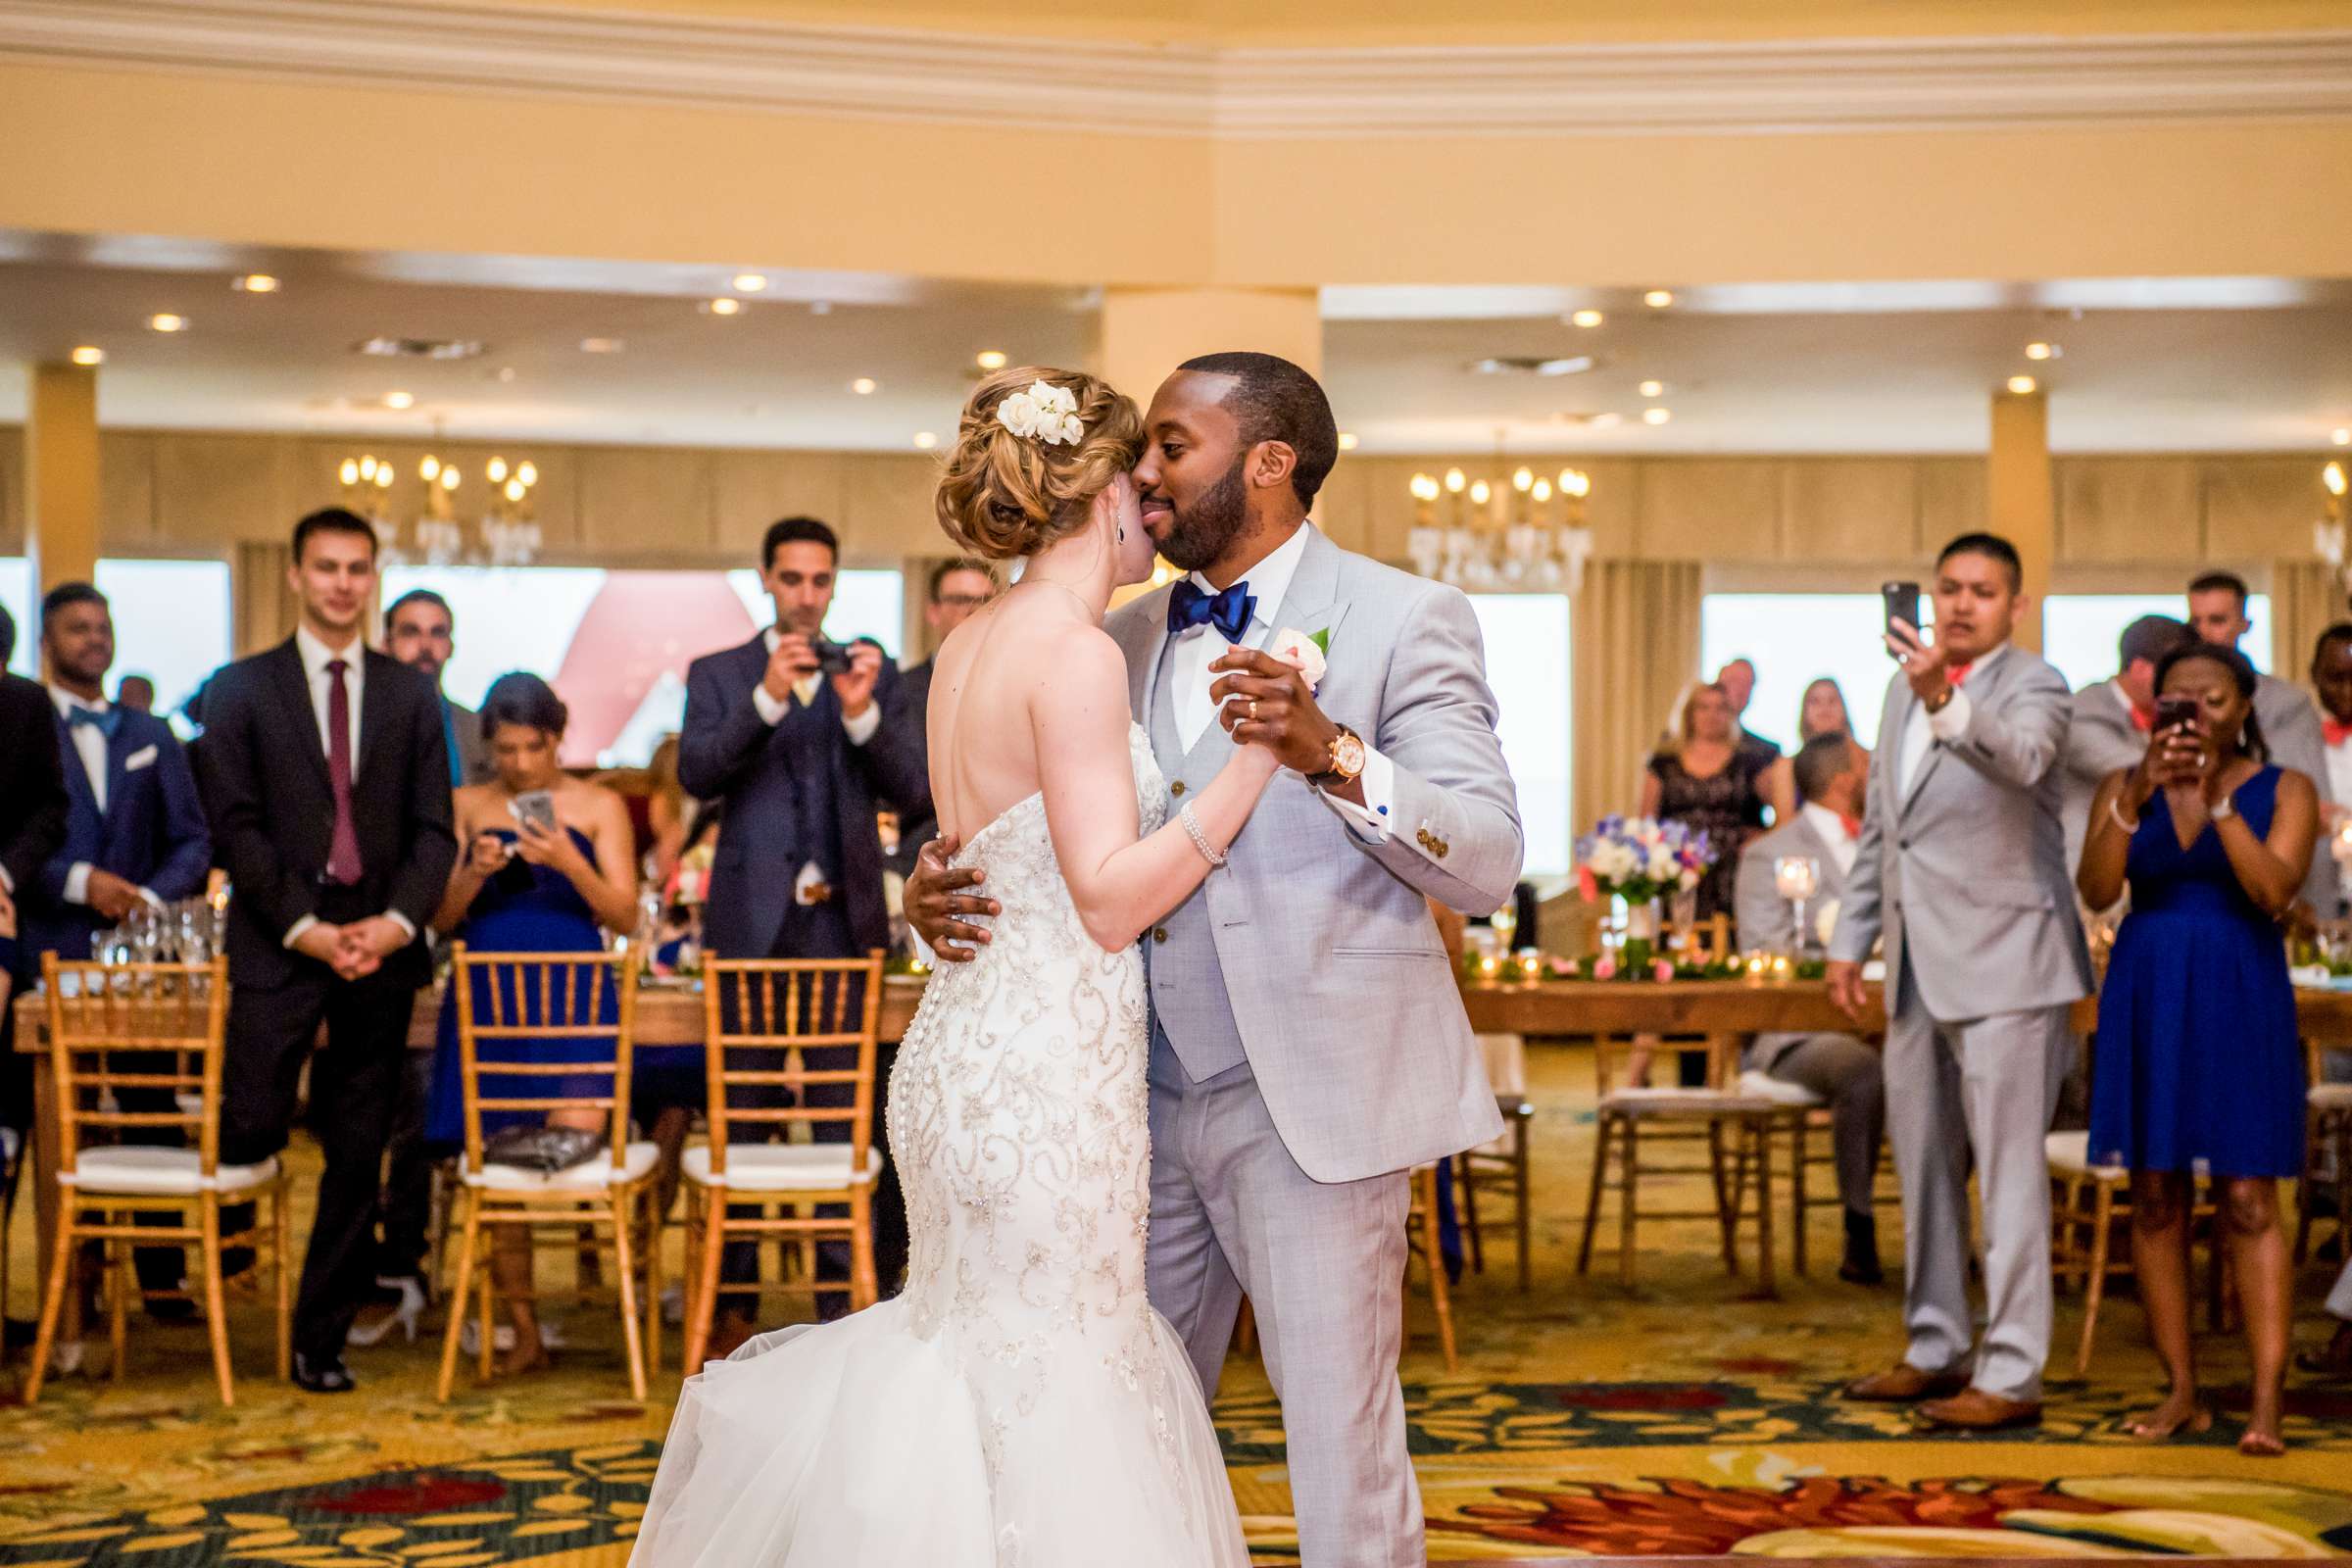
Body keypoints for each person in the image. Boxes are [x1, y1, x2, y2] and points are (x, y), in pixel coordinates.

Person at [638, 365, 1282, 1567]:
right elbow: (1103, 901)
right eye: (1141, 490)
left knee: (972, 1353)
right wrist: (1254, 764)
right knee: (1055, 1370)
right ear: (1096, 499)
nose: (1156, 513)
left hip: (957, 1056)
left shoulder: (970, 650)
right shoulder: (1077, 657)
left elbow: (967, 852)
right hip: (1043, 1078)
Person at [906, 354, 1520, 1567]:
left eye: (1171, 447)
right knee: (1117, 1438)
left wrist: (1334, 751)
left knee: (1339, 1444)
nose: (1143, 471)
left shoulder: (1407, 619)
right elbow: (1040, 832)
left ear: (1269, 461)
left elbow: (1489, 856)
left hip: (1311, 1104)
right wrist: (937, 886)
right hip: (1118, 1105)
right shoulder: (1110, 634)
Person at [1829, 531, 2092, 1432]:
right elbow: (1883, 832)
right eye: (1949, 587)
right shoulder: (1899, 698)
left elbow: (2021, 761)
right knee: (1927, 1171)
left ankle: (2012, 1373)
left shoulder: (2039, 686)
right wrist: (1849, 939)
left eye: (1983, 590)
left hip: (2010, 966)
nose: (1961, 603)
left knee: (2011, 1177)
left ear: (2015, 605)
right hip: (1912, 967)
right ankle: (1935, 1346)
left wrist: (1944, 692)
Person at [195, 508, 458, 1394]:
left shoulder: (411, 693)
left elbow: (435, 831)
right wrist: (306, 926)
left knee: (357, 1150)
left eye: (357, 568)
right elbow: (233, 827)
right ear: (297, 577)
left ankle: (321, 1338)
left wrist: (393, 924)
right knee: (252, 1125)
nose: (343, 582)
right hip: (279, 939)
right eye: (327, 567)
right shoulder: (237, 690)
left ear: (371, 577)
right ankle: (221, 1288)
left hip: (382, 942)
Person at [676, 515, 929, 1348]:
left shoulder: (871, 673)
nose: (808, 597)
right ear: (765, 579)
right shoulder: (719, 672)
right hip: (748, 925)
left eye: (821, 582)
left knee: (838, 1116)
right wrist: (767, 699)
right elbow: (698, 771)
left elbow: (910, 784)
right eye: (792, 580)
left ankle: (837, 1312)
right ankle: (733, 1306)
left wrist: (859, 714)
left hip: (841, 929)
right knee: (740, 1115)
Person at [2080, 642, 2313, 1454]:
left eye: (2210, 701)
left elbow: (2274, 892)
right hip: (2148, 990)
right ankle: (2181, 1388)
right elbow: (2098, 890)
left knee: (2249, 1196)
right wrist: (2140, 793)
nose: (2194, 716)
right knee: (2155, 1195)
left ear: (2244, 706)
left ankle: (2265, 1398)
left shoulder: (2286, 789)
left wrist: (2213, 801)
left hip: (2240, 990)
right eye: (2177, 702)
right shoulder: (2124, 787)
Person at [410, 672, 642, 1370]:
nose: (518, 765)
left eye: (531, 748)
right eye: (505, 750)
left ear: (557, 738)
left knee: (573, 1155)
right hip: (488, 1004)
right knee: (499, 1166)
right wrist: (472, 874)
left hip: (576, 995)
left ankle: (592, 1310)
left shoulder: (599, 806)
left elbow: (628, 916)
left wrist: (568, 859)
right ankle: (524, 1328)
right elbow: (440, 921)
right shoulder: (465, 804)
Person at [24, 583, 214, 1315]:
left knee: (150, 1102)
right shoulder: (23, 726)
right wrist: (79, 882)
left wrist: (148, 901)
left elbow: (194, 837)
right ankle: (70, 1288)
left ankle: (162, 1279)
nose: (94, 640)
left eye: (103, 627)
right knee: (60, 1115)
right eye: (78, 629)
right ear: (49, 642)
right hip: (52, 942)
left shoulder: (150, 733)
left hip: (144, 955)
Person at [1734, 733, 1885, 1285]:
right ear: (1846, 780)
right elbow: (1766, 951)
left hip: (1894, 1017)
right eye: (1870, 765)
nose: (1879, 774)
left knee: (1954, 1062)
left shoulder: (1888, 846)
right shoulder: (1769, 856)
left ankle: (1943, 1226)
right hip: (1797, 1034)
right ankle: (1860, 1224)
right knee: (1861, 1070)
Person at [2187, 571, 2333, 913]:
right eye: (2197, 621)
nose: (2205, 633)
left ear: (2245, 624)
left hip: (2267, 864)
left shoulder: (2286, 704)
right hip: (2197, 869)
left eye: (2218, 620)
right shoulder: (2173, 700)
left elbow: (2308, 804)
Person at [0, 603, 70, 1209]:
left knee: (4, 1118)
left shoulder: (23, 705)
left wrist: (2, 874)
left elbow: (51, 810)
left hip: (1, 922)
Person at [884, 558, 996, 877]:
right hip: (916, 864)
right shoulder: (902, 690)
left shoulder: (1018, 684)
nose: (973, 610)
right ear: (933, 611)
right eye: (961, 600)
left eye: (985, 601)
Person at [2060, 613, 2191, 886]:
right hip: (2086, 876)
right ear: (2142, 669)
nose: (2186, 686)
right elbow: (2145, 771)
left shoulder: (2163, 714)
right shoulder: (2083, 713)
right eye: (2176, 674)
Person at [1640, 681, 1775, 928]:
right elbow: (1646, 822)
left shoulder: (1748, 760)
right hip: (1678, 868)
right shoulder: (1664, 761)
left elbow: (1784, 809)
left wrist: (1761, 838)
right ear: (1689, 714)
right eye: (1704, 707)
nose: (1712, 715)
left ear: (1730, 715)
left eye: (1720, 708)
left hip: (1731, 871)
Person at [384, 588, 494, 788]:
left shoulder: (476, 728)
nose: (425, 645)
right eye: (411, 632)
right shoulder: (361, 719)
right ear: (387, 643)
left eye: (437, 633)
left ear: (451, 646)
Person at [1760, 676, 1862, 814]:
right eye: (1815, 701)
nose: (1824, 708)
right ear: (1805, 712)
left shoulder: (1863, 762)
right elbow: (1785, 825)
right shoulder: (1787, 767)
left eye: (1832, 701)